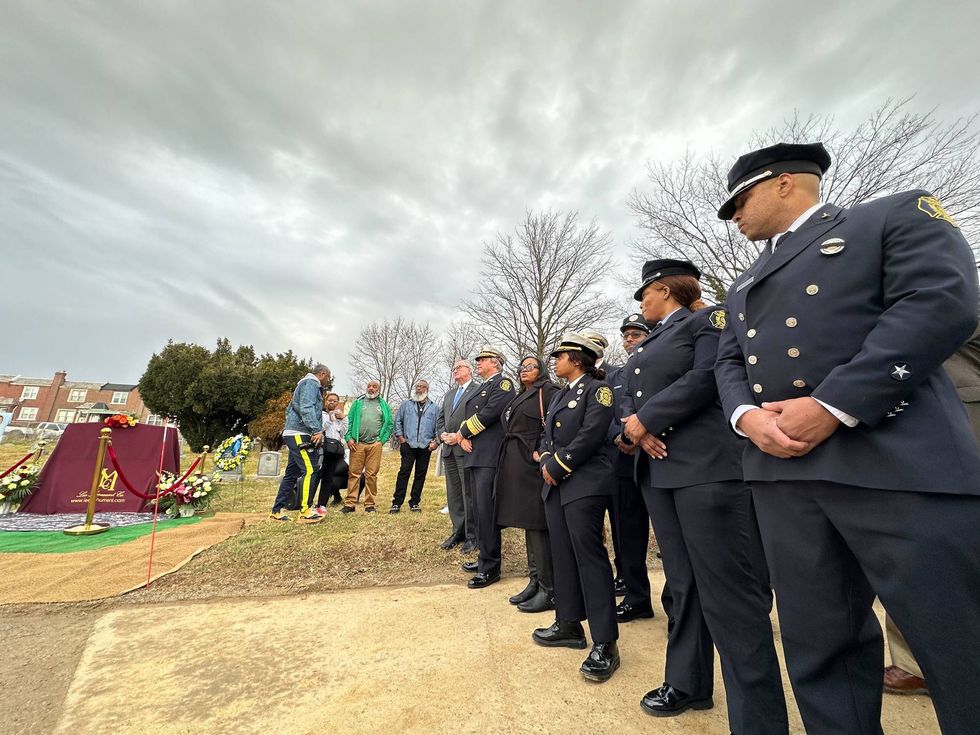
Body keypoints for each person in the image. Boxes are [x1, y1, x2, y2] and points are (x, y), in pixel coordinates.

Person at [714, 141, 980, 734]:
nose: (734, 217)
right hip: (783, 473)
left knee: (958, 643)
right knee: (820, 650)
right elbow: (728, 362)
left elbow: (939, 303)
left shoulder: (891, 216)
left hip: (894, 460)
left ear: (784, 182)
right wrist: (745, 417)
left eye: (740, 202)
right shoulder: (744, 282)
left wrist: (834, 405)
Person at [622, 260, 787, 731]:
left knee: (728, 592)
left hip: (705, 469)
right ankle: (688, 682)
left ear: (665, 289)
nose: (642, 303)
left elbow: (707, 376)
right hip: (660, 472)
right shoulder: (650, 340)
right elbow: (628, 393)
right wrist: (635, 427)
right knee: (684, 585)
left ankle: (758, 720)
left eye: (645, 293)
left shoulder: (707, 321)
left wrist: (648, 420)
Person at [883, 320, 980, 696]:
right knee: (916, 540)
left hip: (959, 417)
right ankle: (915, 661)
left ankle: (929, 662)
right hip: (913, 415)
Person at [531, 333, 619, 682]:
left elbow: (591, 434)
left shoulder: (598, 391)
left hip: (585, 483)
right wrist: (545, 460)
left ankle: (606, 641)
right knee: (563, 555)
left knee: (589, 558)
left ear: (578, 359)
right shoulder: (561, 394)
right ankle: (568, 623)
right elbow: (546, 436)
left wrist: (558, 464)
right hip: (556, 485)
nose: (555, 361)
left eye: (560, 355)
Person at [603, 314, 657, 622]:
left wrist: (642, 434)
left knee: (670, 539)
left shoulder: (663, 366)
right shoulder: (616, 376)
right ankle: (637, 598)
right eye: (626, 336)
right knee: (629, 535)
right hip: (624, 463)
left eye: (636, 334)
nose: (629, 340)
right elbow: (605, 414)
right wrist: (621, 436)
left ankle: (678, 606)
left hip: (659, 457)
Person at [494, 356, 558, 613]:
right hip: (516, 464)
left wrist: (541, 450)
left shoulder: (549, 391)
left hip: (533, 464)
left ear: (541, 370)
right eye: (521, 367)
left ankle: (549, 588)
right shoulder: (522, 394)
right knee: (528, 524)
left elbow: (553, 426)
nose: (524, 370)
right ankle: (535, 580)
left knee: (537, 524)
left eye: (530, 366)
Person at [446, 347, 514, 588]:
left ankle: (491, 567)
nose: (478, 362)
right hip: (475, 454)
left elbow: (490, 413)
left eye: (482, 359)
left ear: (495, 362)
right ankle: (485, 557)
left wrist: (462, 433)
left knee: (487, 511)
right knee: (479, 510)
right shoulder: (483, 386)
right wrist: (464, 436)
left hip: (488, 456)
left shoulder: (503, 384)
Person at [270, 364, 332, 522]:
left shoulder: (304, 384)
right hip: (299, 433)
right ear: (322, 374)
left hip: (295, 432)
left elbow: (289, 410)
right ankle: (305, 511)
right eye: (328, 377)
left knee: (292, 473)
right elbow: (306, 408)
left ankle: (276, 511)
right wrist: (316, 430)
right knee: (311, 469)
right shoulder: (311, 383)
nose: (328, 381)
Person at [435, 360, 481, 551]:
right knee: (454, 493)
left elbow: (479, 419)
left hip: (465, 449)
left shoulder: (478, 390)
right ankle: (458, 531)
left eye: (458, 368)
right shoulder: (450, 394)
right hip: (449, 450)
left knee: (468, 492)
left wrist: (460, 436)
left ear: (469, 370)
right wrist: (442, 435)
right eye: (453, 368)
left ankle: (472, 535)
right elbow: (440, 419)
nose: (455, 371)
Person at [342, 380, 393, 513]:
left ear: (378, 390)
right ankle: (350, 504)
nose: (371, 388)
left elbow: (389, 424)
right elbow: (348, 421)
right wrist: (349, 438)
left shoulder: (383, 405)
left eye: (374, 387)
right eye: (369, 386)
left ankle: (369, 504)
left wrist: (381, 441)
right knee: (354, 473)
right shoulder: (358, 403)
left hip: (375, 445)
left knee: (371, 475)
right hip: (357, 444)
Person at [390, 379, 439, 513]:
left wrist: (435, 442)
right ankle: (396, 502)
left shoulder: (434, 407)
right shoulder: (406, 404)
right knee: (404, 472)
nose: (419, 389)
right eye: (417, 386)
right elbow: (397, 421)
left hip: (425, 446)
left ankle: (414, 502)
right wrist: (401, 438)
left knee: (420, 474)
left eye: (422, 387)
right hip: (408, 444)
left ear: (427, 390)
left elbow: (438, 426)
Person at [312, 392, 348, 513]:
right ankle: (308, 502)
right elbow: (319, 429)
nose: (332, 402)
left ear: (338, 403)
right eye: (329, 400)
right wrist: (329, 419)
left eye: (335, 401)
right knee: (317, 475)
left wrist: (343, 419)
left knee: (328, 477)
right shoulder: (320, 414)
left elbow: (342, 433)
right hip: (322, 448)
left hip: (335, 450)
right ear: (325, 401)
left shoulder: (339, 416)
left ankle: (322, 504)